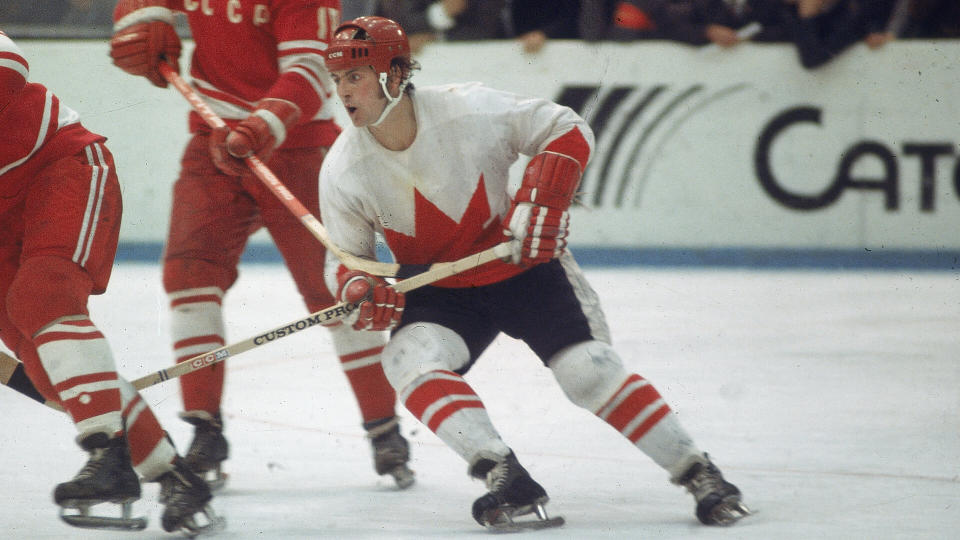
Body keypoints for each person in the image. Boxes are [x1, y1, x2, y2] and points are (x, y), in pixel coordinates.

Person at [318, 15, 751, 530]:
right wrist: (359, 287)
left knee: (586, 372)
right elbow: (346, 260)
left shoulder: (468, 108)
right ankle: (504, 474)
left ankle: (698, 471)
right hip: (440, 289)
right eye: (338, 78)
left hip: (521, 266)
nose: (342, 92)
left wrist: (543, 198)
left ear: (394, 74)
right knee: (407, 359)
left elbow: (566, 126)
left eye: (354, 76)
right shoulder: (343, 168)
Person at [107, 0, 414, 489]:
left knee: (338, 292)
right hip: (213, 139)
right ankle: (204, 430)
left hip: (298, 144)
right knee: (189, 278)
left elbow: (313, 67)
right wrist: (144, 18)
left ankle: (384, 428)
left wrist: (262, 126)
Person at [0, 30, 220, 535]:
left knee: (43, 296)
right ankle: (173, 474)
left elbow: (9, 59)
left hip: (56, 169)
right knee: (50, 367)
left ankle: (106, 452)